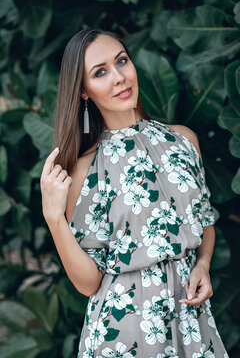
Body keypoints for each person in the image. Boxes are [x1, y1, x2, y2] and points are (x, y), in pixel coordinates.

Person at [40, 28, 229, 357]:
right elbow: (88, 283)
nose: (118, 77)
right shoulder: (84, 170)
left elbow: (203, 225)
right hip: (124, 332)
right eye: (100, 72)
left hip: (191, 321)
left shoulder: (184, 140)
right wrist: (54, 218)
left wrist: (203, 265)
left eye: (121, 61)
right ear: (83, 91)